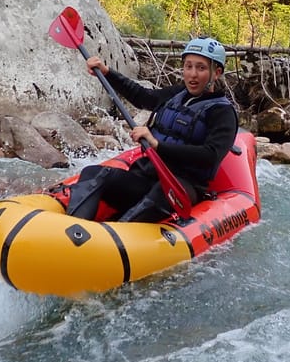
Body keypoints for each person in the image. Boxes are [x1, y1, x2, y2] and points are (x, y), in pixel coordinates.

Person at [66, 37, 239, 223]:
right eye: (188, 66)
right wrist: (107, 73)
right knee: (93, 173)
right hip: (146, 176)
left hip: (181, 186)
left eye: (201, 68)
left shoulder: (223, 112)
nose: (193, 74)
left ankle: (116, 236)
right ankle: (73, 228)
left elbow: (211, 156)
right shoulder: (177, 94)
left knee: (160, 193)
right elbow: (143, 97)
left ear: (216, 73)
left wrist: (158, 145)